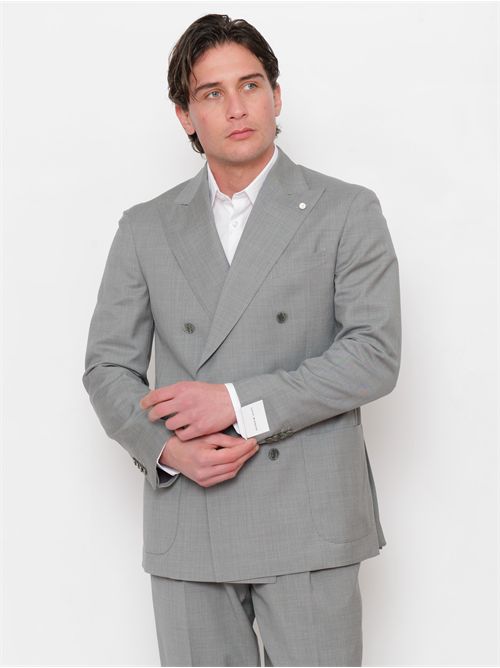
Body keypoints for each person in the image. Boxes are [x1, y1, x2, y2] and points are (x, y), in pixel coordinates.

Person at [83, 13, 401, 667]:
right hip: (190, 515)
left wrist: (235, 403)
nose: (236, 108)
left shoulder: (346, 210)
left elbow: (373, 355)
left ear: (276, 96)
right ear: (184, 115)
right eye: (212, 93)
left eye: (251, 85)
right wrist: (167, 450)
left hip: (308, 517)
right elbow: (107, 367)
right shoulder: (145, 227)